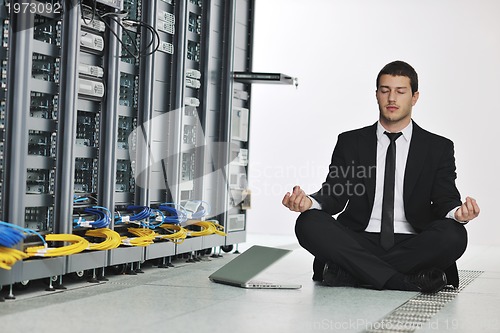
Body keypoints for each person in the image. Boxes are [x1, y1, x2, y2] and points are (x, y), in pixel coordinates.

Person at [282, 61, 480, 293]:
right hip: (359, 239)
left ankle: (353, 272)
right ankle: (403, 280)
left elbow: (444, 197)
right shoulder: (351, 142)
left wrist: (458, 214)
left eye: (400, 91)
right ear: (376, 95)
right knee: (308, 222)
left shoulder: (438, 147)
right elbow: (336, 192)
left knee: (454, 234)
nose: (392, 98)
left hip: (413, 242)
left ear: (414, 97)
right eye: (385, 91)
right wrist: (310, 202)